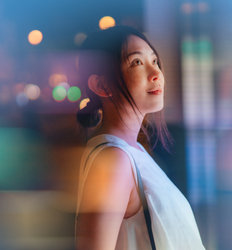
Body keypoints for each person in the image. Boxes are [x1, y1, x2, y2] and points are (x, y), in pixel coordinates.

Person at [74, 26, 205, 250]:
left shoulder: (132, 151)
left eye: (154, 61)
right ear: (101, 85)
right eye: (136, 62)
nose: (156, 74)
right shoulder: (114, 159)